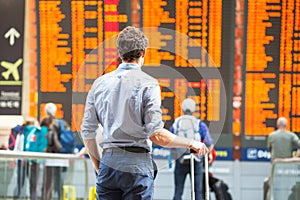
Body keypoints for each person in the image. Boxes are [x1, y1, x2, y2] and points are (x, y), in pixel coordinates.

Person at [81, 26, 209, 200]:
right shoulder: (148, 84)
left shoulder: (99, 84)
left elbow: (88, 132)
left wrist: (100, 166)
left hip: (108, 163)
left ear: (119, 53)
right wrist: (191, 143)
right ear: (143, 53)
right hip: (137, 165)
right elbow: (157, 135)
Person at [170, 98, 214, 200]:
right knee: (197, 191)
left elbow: (169, 140)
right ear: (194, 109)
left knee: (178, 191)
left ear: (183, 108)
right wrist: (208, 154)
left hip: (180, 160)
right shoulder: (199, 124)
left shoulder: (177, 123)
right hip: (196, 160)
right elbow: (209, 143)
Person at [264, 117, 300, 200]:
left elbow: (269, 149)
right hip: (288, 167)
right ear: (286, 125)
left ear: (277, 124)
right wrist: (295, 157)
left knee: (271, 186)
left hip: (275, 167)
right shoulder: (291, 135)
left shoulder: (272, 136)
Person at [42, 103, 70, 200]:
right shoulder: (63, 123)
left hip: (51, 157)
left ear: (46, 111)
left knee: (48, 182)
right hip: (62, 157)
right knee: (59, 182)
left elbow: (50, 140)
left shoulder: (48, 123)